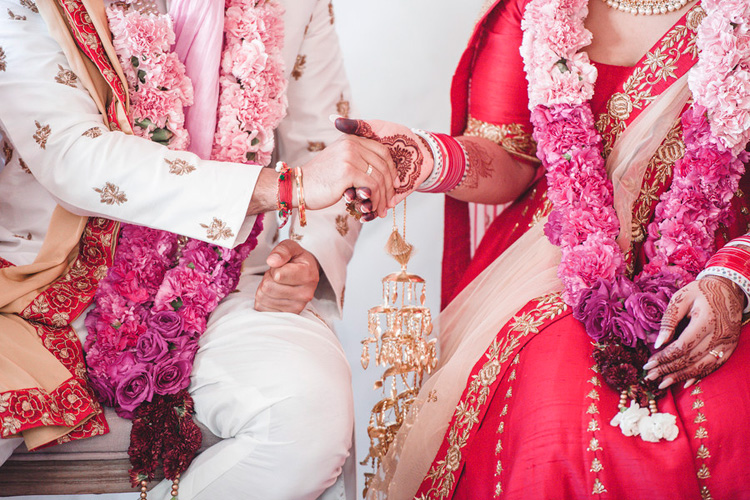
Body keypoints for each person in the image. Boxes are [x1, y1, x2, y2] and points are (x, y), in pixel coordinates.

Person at [332, 0, 750, 498]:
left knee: (730, 419)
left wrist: (735, 275)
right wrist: (423, 157)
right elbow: (511, 159)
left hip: (722, 264)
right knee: (555, 418)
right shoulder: (534, 9)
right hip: (560, 262)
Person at [0, 0, 396, 498]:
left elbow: (321, 147)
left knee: (306, 416)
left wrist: (309, 254)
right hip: (42, 287)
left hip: (228, 281)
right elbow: (73, 156)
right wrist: (287, 188)